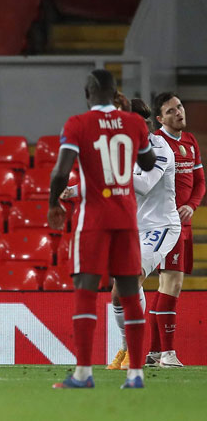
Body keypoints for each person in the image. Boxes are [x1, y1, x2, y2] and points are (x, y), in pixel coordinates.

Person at [48, 70, 156, 390]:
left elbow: (60, 170)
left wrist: (54, 202)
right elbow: (148, 164)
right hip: (126, 217)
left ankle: (83, 373)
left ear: (88, 93)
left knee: (85, 290)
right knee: (130, 294)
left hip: (93, 218)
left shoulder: (77, 124)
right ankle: (135, 374)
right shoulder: (134, 123)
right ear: (115, 93)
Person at [103, 98, 180, 371]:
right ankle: (125, 350)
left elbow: (144, 185)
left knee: (131, 278)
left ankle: (134, 352)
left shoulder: (159, 148)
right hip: (134, 227)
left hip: (161, 226)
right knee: (116, 294)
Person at [144, 92, 204, 368]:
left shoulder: (191, 141)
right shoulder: (156, 143)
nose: (179, 112)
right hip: (167, 225)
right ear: (160, 118)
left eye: (180, 106)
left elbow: (200, 181)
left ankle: (156, 352)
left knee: (168, 286)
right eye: (171, 111)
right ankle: (167, 354)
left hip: (185, 224)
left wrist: (192, 204)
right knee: (172, 284)